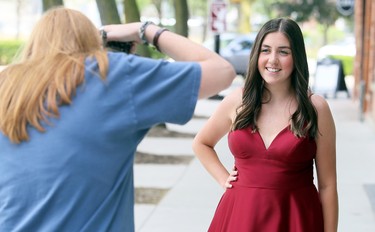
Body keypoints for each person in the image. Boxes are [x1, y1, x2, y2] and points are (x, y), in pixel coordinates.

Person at [0, 7, 235, 232]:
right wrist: (145, 30)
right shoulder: (113, 75)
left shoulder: (7, 86)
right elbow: (222, 72)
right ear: (92, 43)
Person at [192, 18, 338, 232]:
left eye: (283, 52)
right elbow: (201, 143)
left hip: (295, 219)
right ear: (256, 55)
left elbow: (327, 186)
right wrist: (224, 178)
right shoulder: (238, 101)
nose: (273, 60)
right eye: (266, 50)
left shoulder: (316, 108)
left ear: (297, 56)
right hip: (239, 216)